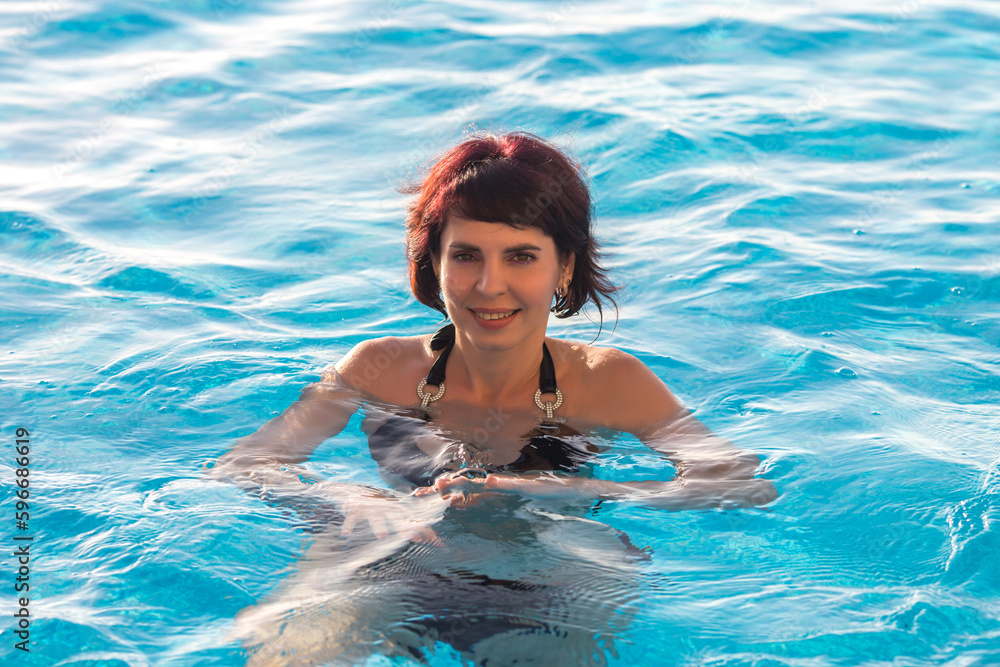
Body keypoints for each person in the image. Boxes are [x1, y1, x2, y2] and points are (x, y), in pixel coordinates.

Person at [209, 131, 777, 666]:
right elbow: (245, 464)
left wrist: (573, 487)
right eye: (466, 255)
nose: (489, 285)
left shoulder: (611, 382)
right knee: (284, 648)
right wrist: (348, 499)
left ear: (565, 266)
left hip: (556, 576)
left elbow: (739, 485)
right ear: (433, 261)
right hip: (393, 558)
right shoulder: (375, 369)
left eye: (520, 256)